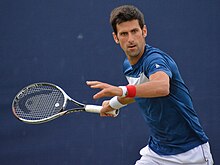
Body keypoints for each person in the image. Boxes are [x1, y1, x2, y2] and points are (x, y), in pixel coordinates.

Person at [86, 5, 214, 165]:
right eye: (124, 34)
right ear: (116, 38)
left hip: (191, 153)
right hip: (157, 152)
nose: (131, 39)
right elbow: (139, 92)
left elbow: (161, 87)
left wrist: (121, 90)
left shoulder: (154, 59)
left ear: (144, 31)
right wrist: (113, 103)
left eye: (134, 31)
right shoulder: (127, 65)